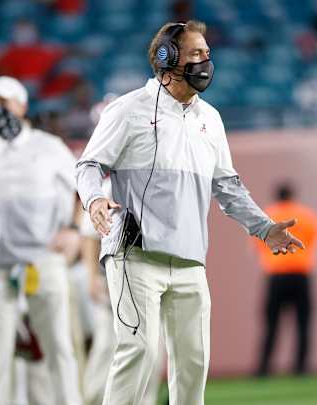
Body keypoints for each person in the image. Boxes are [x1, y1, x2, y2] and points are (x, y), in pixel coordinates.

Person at [76, 20, 304, 405]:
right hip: (135, 254)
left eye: (207, 54)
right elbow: (88, 165)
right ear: (167, 57)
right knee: (138, 352)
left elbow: (227, 186)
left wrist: (265, 229)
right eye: (196, 53)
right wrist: (95, 199)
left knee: (193, 362)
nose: (206, 62)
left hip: (190, 259)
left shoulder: (210, 118)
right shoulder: (128, 109)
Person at [0, 76, 82, 405]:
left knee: (59, 350)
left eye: (3, 101)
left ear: (22, 105)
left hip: (44, 260)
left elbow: (84, 189)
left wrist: (73, 229)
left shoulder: (48, 146)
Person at [255, 183, 317, 377]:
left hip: (276, 275)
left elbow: (257, 246)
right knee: (303, 324)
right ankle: (300, 368)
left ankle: (263, 369)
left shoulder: (267, 215)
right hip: (301, 274)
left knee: (271, 325)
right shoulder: (307, 215)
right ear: (293, 195)